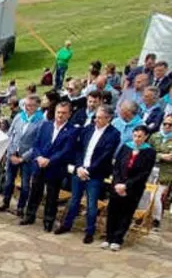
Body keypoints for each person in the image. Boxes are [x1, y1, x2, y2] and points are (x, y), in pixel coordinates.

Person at [56, 105, 120, 243]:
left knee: (91, 204)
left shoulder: (113, 134)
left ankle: (89, 231)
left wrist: (89, 170)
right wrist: (79, 167)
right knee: (74, 200)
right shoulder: (88, 129)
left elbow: (105, 155)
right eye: (96, 117)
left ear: (108, 118)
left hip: (95, 174)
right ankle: (66, 225)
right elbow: (79, 149)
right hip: (80, 170)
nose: (96, 120)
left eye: (100, 118)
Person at [20, 102, 80, 231]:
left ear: (69, 114)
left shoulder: (72, 131)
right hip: (39, 164)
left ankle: (48, 221)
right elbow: (36, 144)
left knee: (52, 196)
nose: (60, 115)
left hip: (55, 167)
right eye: (58, 112)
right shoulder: (45, 125)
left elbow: (66, 150)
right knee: (35, 192)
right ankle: (29, 216)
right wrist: (39, 157)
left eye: (64, 113)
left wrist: (50, 160)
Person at [102, 123, 158, 250]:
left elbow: (144, 173)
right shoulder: (126, 147)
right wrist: (118, 183)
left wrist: (126, 185)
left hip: (133, 187)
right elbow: (117, 167)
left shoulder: (150, 152)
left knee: (126, 213)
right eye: (135, 136)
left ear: (146, 137)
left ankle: (118, 239)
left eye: (140, 136)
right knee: (113, 211)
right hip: (118, 184)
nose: (137, 139)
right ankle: (108, 237)